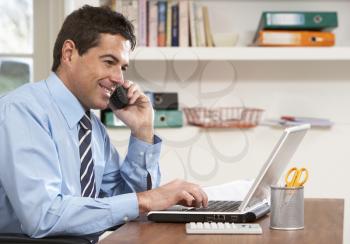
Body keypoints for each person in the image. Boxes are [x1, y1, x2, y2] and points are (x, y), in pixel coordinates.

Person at [0, 5, 208, 241]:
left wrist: (142, 133)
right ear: (69, 53)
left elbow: (127, 206)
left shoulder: (91, 128)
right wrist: (147, 199)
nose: (119, 78)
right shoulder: (23, 111)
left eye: (123, 67)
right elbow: (43, 216)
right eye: (109, 62)